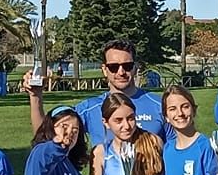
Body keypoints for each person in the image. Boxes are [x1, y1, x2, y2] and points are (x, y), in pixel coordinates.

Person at [29, 37, 164, 141]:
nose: (121, 72)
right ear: (104, 70)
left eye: (127, 66)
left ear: (135, 67)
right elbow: (45, 136)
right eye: (113, 67)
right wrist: (35, 97)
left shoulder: (160, 106)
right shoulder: (90, 109)